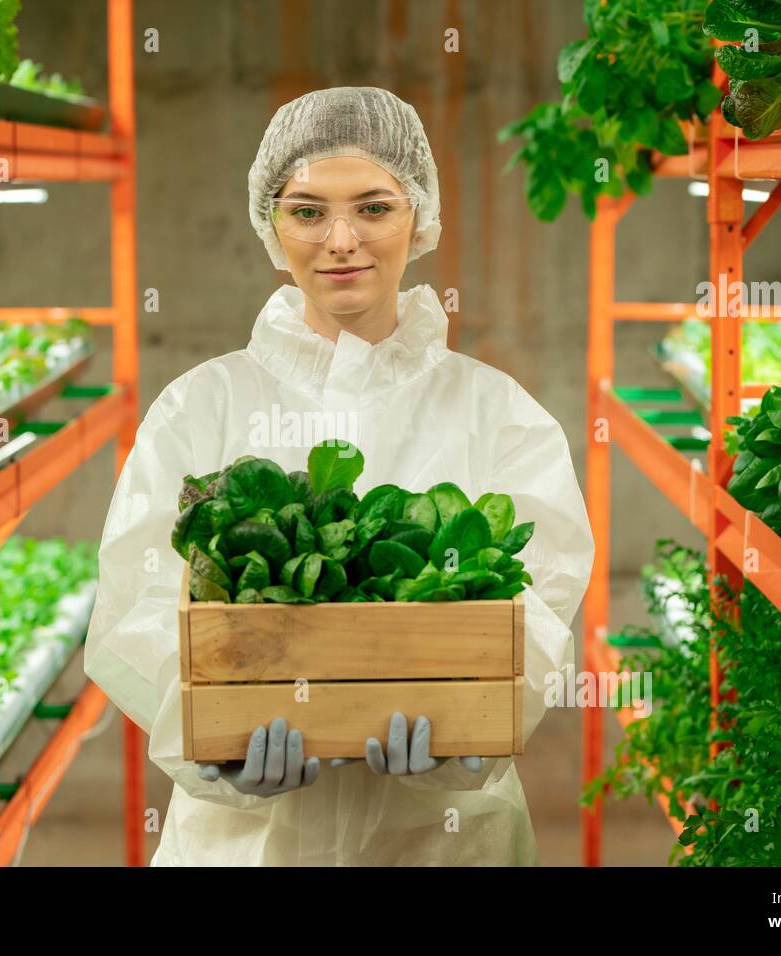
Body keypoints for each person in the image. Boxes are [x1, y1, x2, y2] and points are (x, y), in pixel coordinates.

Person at [82, 86, 594, 866]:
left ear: (418, 217)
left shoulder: (500, 415)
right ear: (270, 223)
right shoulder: (201, 406)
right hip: (244, 844)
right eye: (308, 211)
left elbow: (542, 615)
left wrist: (462, 742)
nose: (342, 239)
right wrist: (213, 745)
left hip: (448, 841)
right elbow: (136, 605)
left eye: (375, 207)